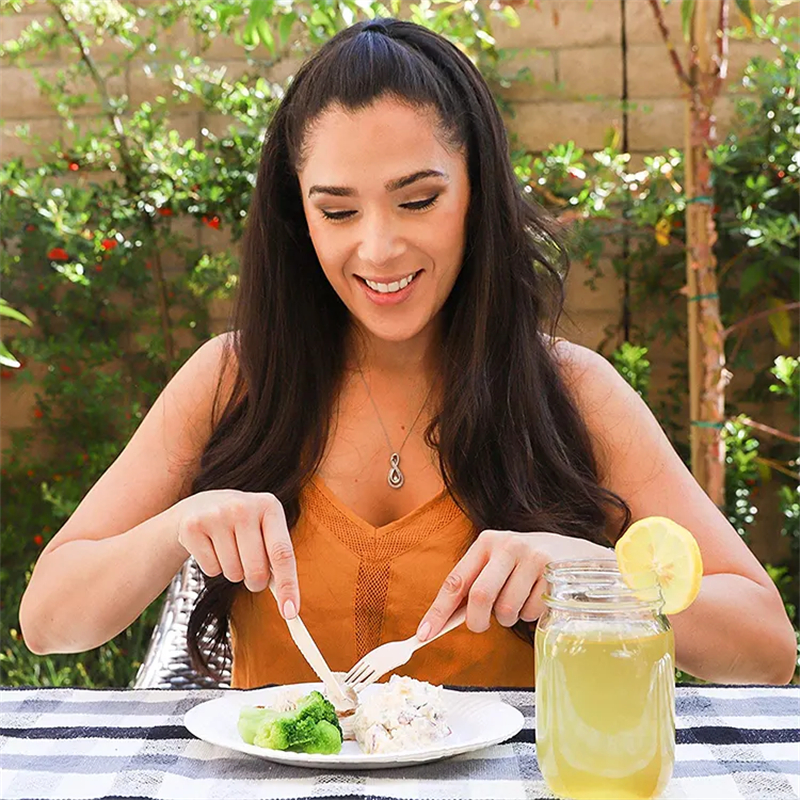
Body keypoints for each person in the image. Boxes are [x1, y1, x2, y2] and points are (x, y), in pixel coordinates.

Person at [19, 18, 795, 687]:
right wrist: (178, 527)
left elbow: (766, 646)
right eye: (337, 210)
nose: (379, 248)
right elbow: (50, 621)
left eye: (418, 200)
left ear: (476, 193)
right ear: (300, 217)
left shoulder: (570, 390)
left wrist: (587, 573)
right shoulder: (233, 378)